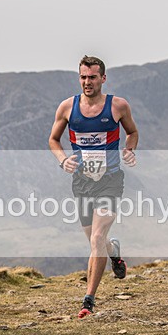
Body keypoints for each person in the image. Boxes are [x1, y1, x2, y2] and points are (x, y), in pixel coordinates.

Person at [48, 55, 138, 318]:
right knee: (95, 241)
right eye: (83, 77)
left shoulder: (117, 106)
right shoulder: (67, 108)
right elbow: (53, 140)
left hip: (110, 181)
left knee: (97, 238)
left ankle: (88, 300)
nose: (87, 82)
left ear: (103, 78)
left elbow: (132, 132)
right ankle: (114, 252)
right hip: (82, 182)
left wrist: (129, 150)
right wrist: (63, 160)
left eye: (93, 77)